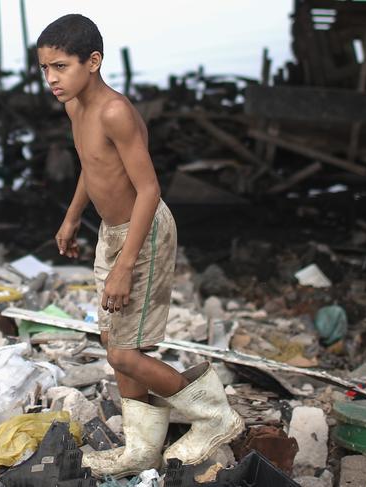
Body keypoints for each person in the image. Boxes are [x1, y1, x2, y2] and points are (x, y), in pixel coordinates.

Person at [36, 14, 244, 478]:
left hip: (143, 233)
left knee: (124, 354)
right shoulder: (75, 108)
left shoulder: (115, 111)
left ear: (93, 62)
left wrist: (125, 265)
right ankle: (142, 450)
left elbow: (148, 189)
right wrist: (72, 218)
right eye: (44, 68)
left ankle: (216, 417)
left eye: (60, 66)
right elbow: (93, 169)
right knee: (115, 339)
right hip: (110, 232)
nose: (51, 78)